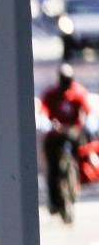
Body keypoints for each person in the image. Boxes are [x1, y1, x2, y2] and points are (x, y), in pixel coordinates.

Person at [40, 63, 91, 214]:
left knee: (82, 154)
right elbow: (43, 111)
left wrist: (86, 124)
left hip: (73, 134)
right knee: (53, 168)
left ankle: (76, 182)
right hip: (55, 136)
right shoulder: (51, 94)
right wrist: (47, 124)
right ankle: (55, 202)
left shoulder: (78, 93)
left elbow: (88, 110)